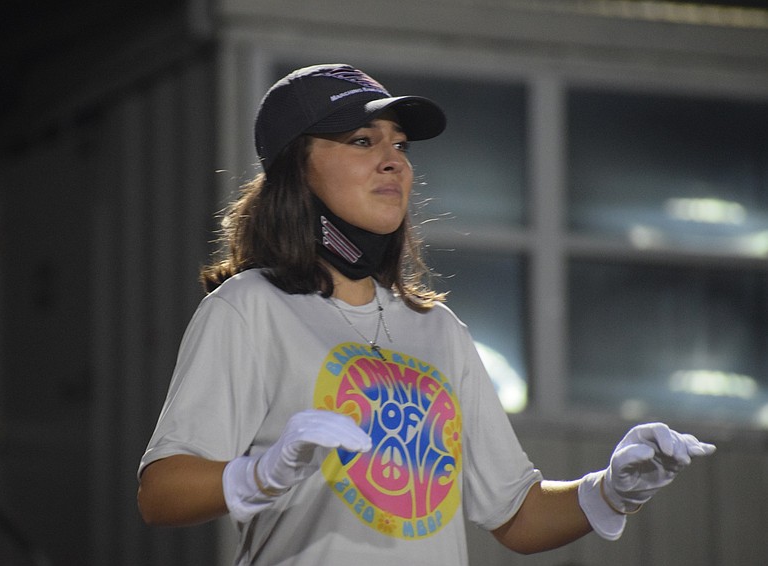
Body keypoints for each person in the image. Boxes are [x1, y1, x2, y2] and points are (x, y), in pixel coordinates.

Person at [137, 63, 715, 565]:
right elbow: (160, 494)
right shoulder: (249, 307)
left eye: (400, 146)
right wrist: (261, 473)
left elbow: (516, 513)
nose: (393, 160)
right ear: (296, 169)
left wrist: (611, 489)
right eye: (362, 141)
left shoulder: (437, 328)